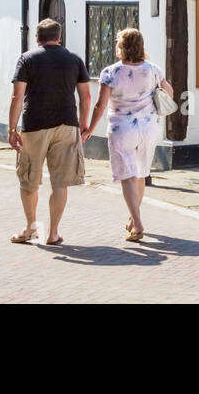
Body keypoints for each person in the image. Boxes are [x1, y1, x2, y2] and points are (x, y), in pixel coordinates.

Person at [83, 28, 173, 242]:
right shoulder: (153, 70)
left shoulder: (110, 72)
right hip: (149, 127)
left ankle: (138, 223)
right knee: (141, 174)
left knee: (127, 176)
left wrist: (91, 128)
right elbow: (169, 93)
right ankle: (134, 219)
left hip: (122, 128)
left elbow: (100, 104)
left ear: (120, 47)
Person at [8, 18, 90, 245]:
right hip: (67, 123)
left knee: (29, 179)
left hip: (35, 125)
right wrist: (84, 124)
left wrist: (12, 128)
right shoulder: (74, 60)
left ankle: (31, 228)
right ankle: (53, 233)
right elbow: (86, 96)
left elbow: (17, 97)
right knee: (60, 182)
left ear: (37, 38)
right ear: (59, 37)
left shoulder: (27, 59)